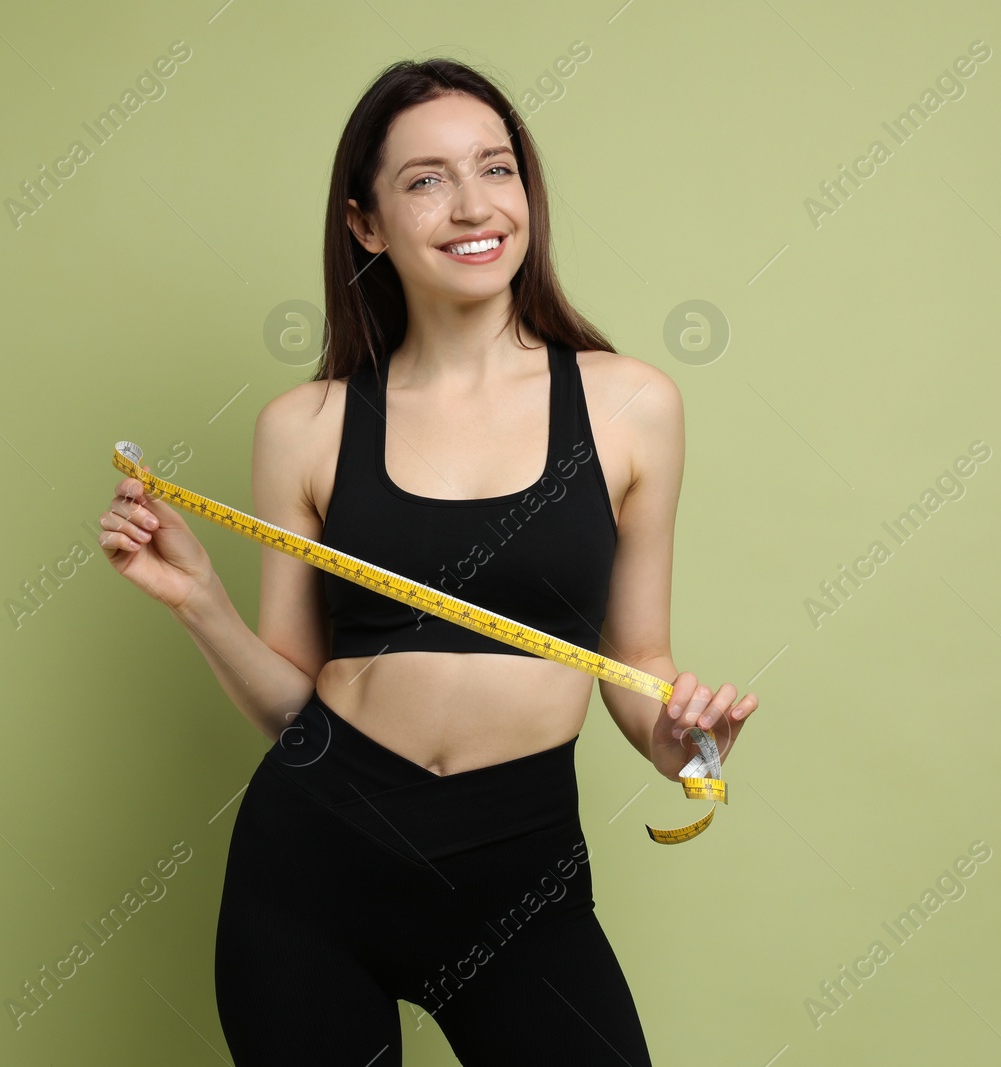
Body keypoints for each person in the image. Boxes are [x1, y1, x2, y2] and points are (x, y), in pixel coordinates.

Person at [98, 57, 759, 1066]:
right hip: (316, 860)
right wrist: (198, 603)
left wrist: (678, 742)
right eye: (425, 180)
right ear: (365, 223)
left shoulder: (631, 407)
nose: (471, 206)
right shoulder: (304, 427)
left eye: (496, 169)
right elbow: (292, 704)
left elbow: (639, 661)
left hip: (518, 870)